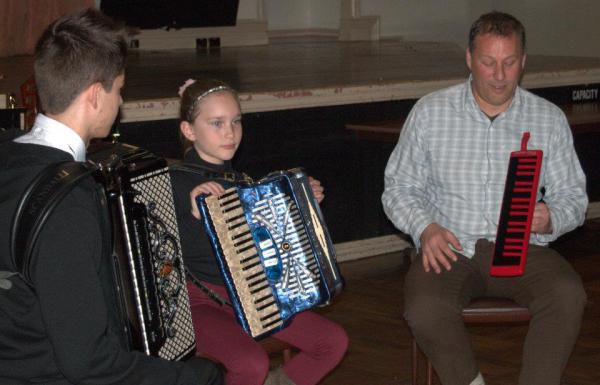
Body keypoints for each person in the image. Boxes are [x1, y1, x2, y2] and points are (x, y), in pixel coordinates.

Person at [0, 8, 222, 385]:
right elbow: (87, 363)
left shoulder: (9, 154)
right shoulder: (66, 202)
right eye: (119, 90)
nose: (120, 102)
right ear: (94, 96)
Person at [382, 11, 587, 385]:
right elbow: (398, 187)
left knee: (568, 295)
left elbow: (573, 196)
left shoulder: (548, 118)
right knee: (425, 308)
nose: (499, 75)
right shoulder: (430, 113)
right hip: (450, 247)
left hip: (524, 249)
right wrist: (425, 229)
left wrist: (552, 216)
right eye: (488, 62)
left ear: (523, 62)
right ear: (469, 59)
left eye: (509, 63)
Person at [170, 78, 348, 385]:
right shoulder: (173, 181)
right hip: (197, 303)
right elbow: (160, 249)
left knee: (332, 341)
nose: (230, 133)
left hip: (255, 297)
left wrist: (302, 204)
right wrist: (192, 214)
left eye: (236, 122)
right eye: (217, 123)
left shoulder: (242, 182)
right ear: (189, 130)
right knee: (251, 363)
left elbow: (275, 247)